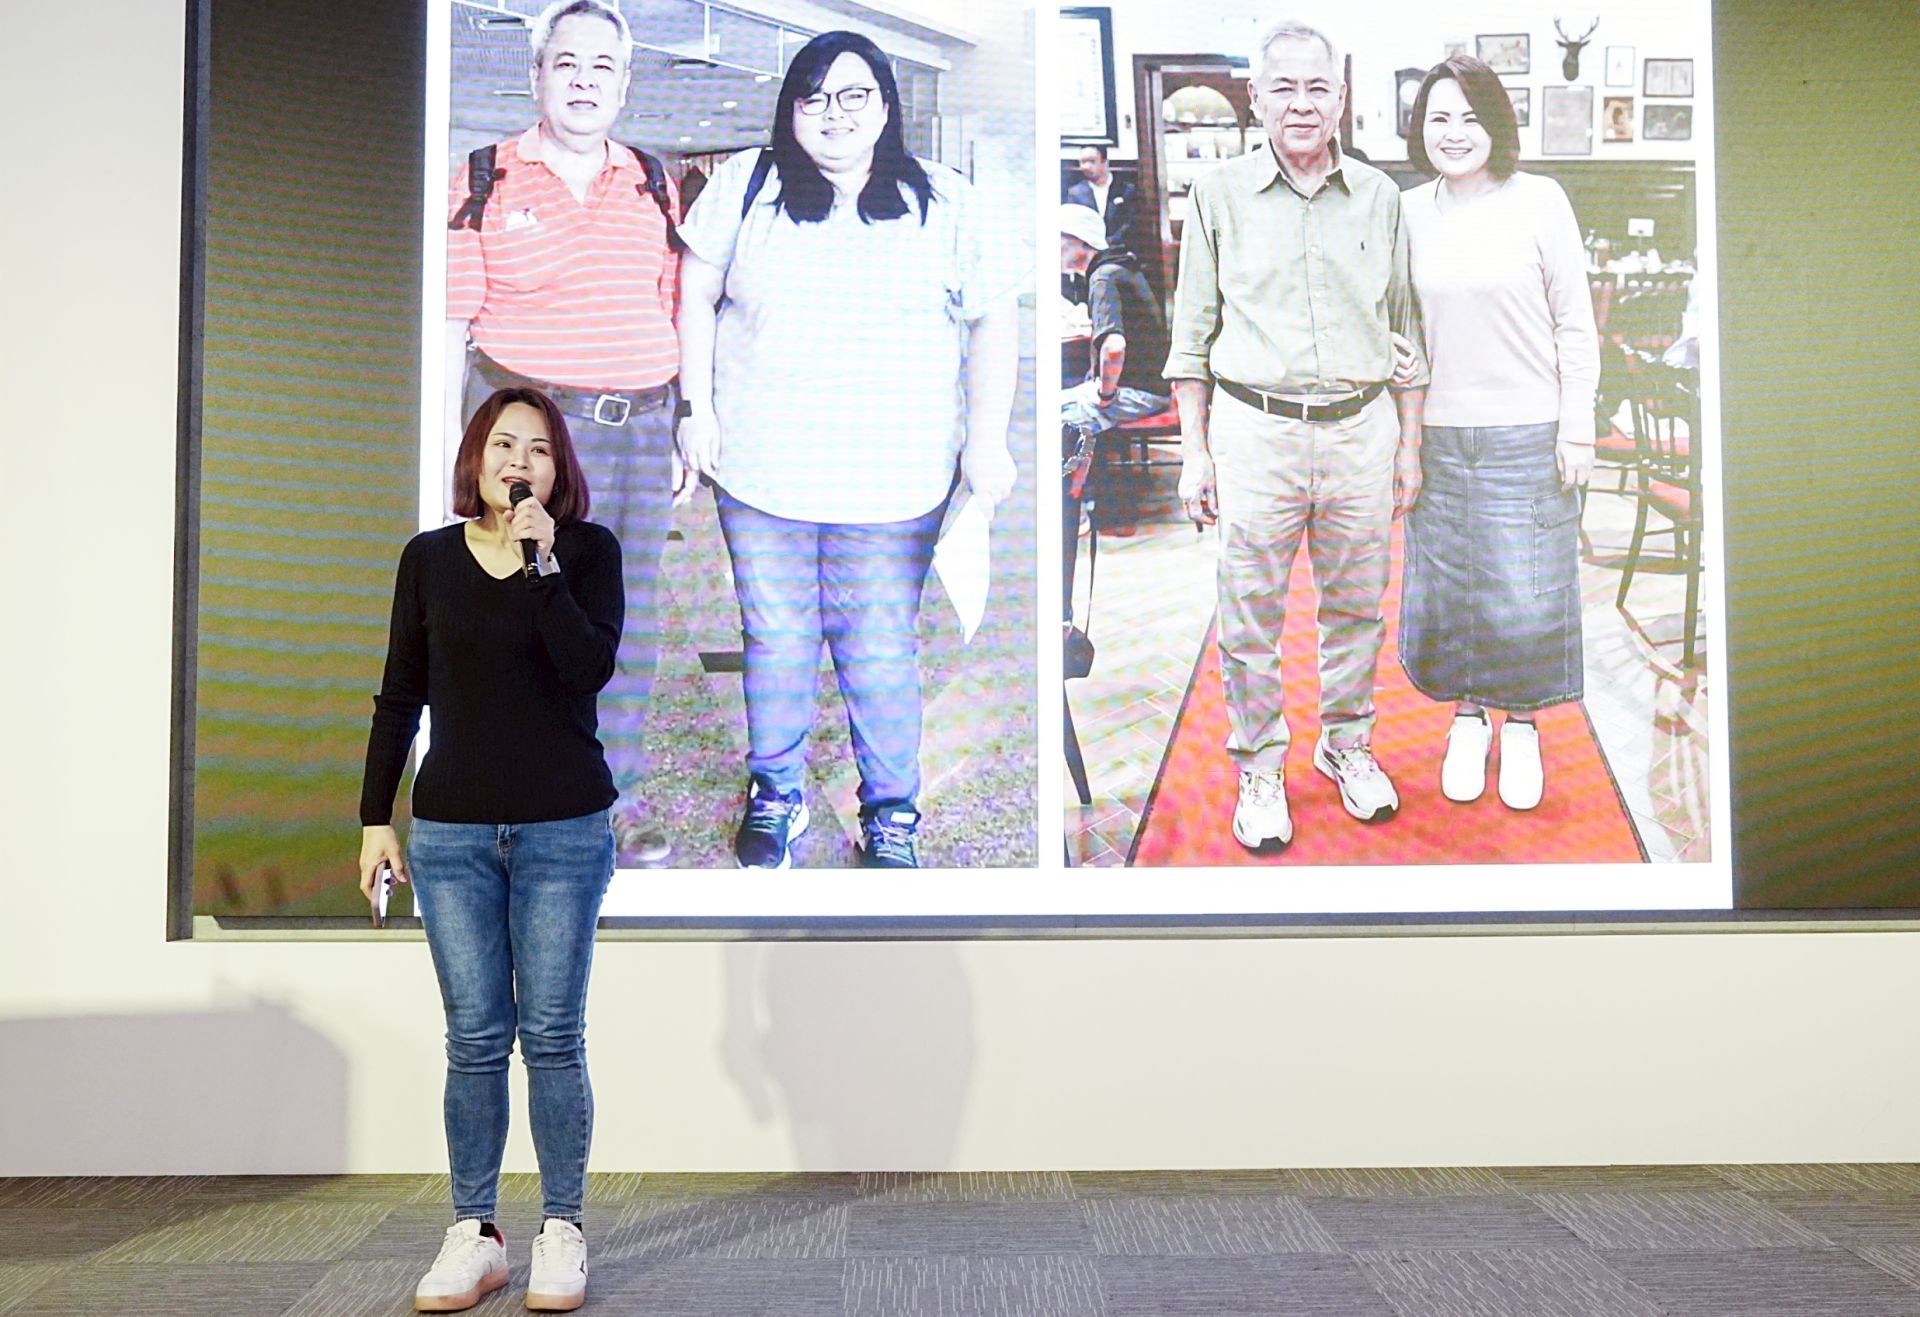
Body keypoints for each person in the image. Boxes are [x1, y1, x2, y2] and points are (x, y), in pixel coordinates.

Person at [675, 30, 1021, 870]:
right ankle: (777, 793)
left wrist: (989, 437)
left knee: (878, 646)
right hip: (762, 470)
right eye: (814, 96)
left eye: (854, 94)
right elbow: (695, 294)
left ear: (886, 106)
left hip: (893, 477)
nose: (833, 113)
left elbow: (993, 320)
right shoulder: (744, 185)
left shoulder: (946, 197)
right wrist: (695, 408)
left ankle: (891, 809)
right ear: (790, 109)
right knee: (778, 635)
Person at [359, 387, 621, 1312]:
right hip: (454, 836)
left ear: (560, 471)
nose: (521, 461)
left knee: (552, 1035)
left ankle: (562, 1229)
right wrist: (375, 817)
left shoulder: (586, 552)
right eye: (505, 444)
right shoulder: (427, 560)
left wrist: (540, 561)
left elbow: (588, 669)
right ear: (475, 457)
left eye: (540, 449)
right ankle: (475, 1230)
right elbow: (400, 697)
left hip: (564, 830)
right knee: (475, 1040)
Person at [1164, 19, 1427, 852]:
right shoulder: (1217, 195)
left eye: (1319, 87)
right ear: (1257, 98)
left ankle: (1347, 744)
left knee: (1357, 611)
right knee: (1249, 616)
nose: (1303, 103)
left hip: (1361, 433)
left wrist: (1409, 445)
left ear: (1342, 100)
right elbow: (1189, 336)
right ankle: (1259, 761)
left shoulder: (1382, 197)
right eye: (1285, 87)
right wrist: (1194, 451)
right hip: (1255, 432)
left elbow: (1408, 332)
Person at [444, 0, 678, 868]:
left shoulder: (656, 179)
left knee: (625, 613)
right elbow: (450, 324)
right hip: (529, 434)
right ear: (536, 74)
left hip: (642, 432)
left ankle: (609, 794)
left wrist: (688, 418)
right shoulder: (482, 175)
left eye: (602, 67)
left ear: (625, 82)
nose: (584, 81)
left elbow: (671, 307)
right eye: (566, 63)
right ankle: (515, 799)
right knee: (515, 605)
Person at [1396, 56, 1600, 810]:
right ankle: (1469, 718)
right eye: (1438, 118)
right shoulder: (1409, 210)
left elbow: (1575, 321)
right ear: (1421, 129)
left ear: (1498, 124)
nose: (1454, 133)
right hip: (1439, 432)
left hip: (1529, 428)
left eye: (1470, 117)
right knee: (1451, 587)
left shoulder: (1540, 200)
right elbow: (1397, 317)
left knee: (1528, 587)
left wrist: (1577, 425)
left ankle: (1521, 725)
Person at [1065, 142, 1134, 252]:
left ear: (1105, 162)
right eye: (1083, 162)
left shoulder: (1125, 189)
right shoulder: (1075, 193)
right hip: (1089, 253)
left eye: (1092, 162)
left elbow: (1130, 223)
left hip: (1121, 250)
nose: (1087, 167)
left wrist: (1109, 243)